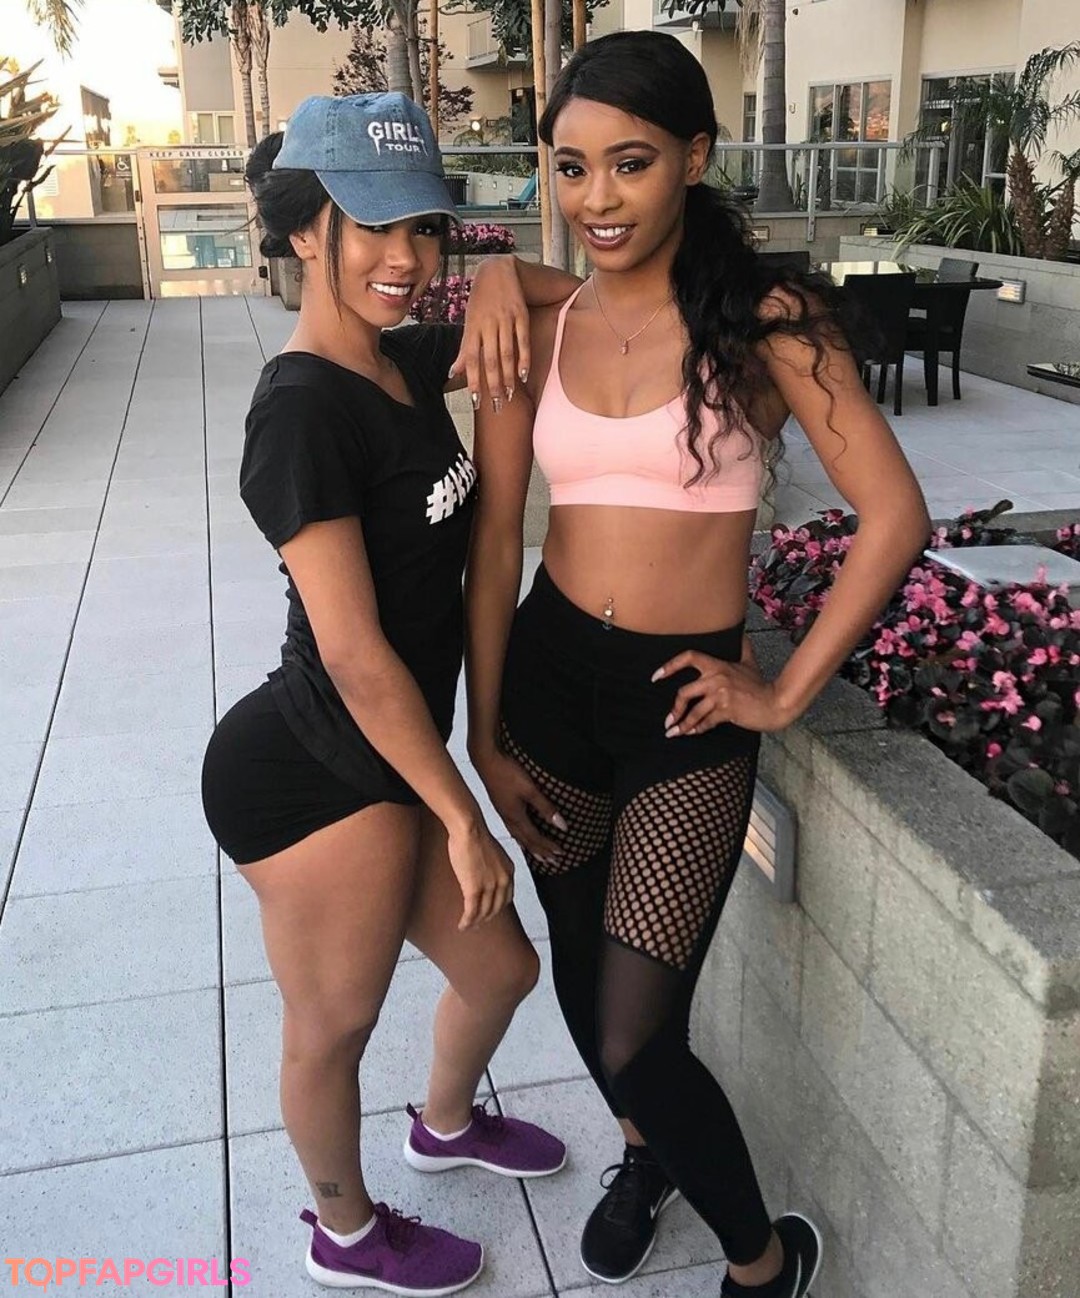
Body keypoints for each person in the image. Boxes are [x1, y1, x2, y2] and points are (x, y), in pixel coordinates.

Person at [465, 31, 930, 1298]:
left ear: (695, 157)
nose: (597, 198)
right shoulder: (539, 326)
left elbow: (895, 513)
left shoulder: (763, 321)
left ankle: (764, 1261)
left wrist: (781, 690)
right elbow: (498, 539)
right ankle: (644, 1155)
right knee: (577, 965)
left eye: (631, 162)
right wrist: (483, 729)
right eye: (571, 167)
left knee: (637, 1029)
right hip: (549, 680)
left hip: (687, 700)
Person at [200, 92, 573, 1296]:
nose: (407, 257)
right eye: (372, 225)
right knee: (336, 1021)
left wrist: (503, 270)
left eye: (425, 225)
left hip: (392, 750)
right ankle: (344, 1231)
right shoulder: (302, 409)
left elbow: (568, 302)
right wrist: (461, 810)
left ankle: (446, 1122)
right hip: (317, 770)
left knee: (502, 969)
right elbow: (357, 652)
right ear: (309, 229)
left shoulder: (401, 359)